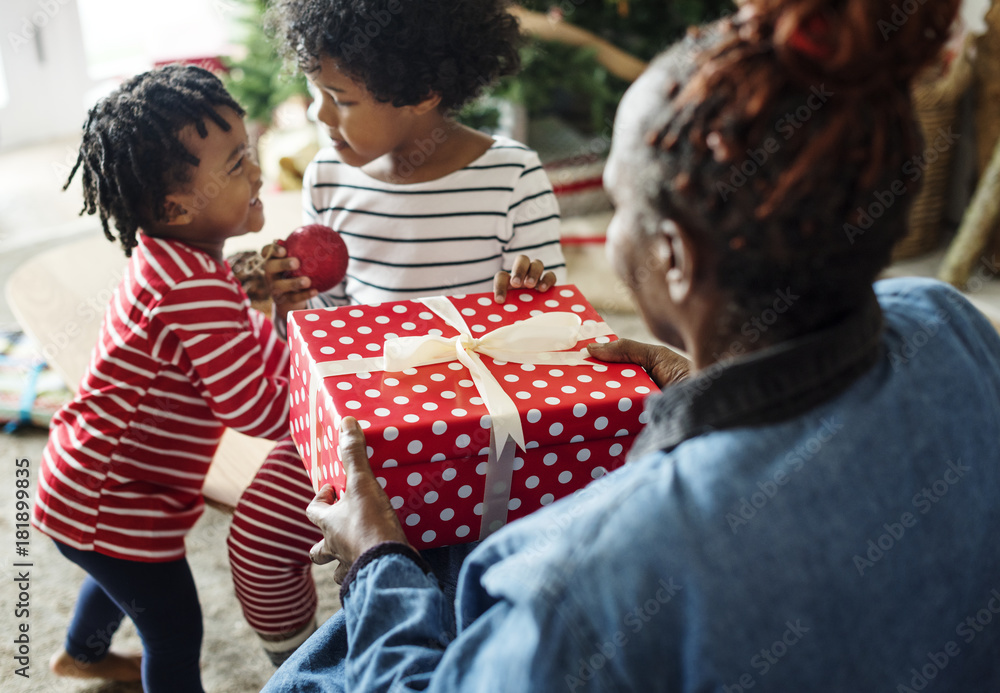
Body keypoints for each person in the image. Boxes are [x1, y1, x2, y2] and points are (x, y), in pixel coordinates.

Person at [261, 0, 1000, 690]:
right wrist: (698, 382)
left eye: (619, 204)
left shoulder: (589, 576)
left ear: (673, 257)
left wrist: (378, 562)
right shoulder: (950, 318)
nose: (608, 238)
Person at [226, 0, 568, 664]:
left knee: (465, 560)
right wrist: (291, 308)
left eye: (340, 97)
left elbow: (550, 330)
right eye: (316, 89)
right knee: (263, 534)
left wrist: (528, 287)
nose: (319, 116)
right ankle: (311, 657)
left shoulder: (512, 175)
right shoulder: (328, 175)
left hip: (480, 427)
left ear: (421, 94)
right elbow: (329, 332)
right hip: (362, 424)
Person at [32, 65, 290, 693]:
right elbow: (258, 414)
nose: (256, 171)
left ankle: (82, 657)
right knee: (174, 632)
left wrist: (279, 333)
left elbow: (243, 342)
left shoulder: (175, 256)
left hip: (86, 482)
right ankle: (91, 658)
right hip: (112, 498)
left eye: (247, 151)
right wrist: (290, 329)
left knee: (114, 577)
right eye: (235, 166)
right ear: (177, 205)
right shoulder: (195, 286)